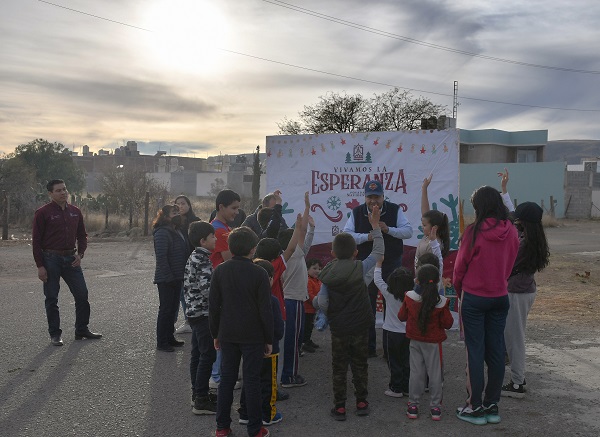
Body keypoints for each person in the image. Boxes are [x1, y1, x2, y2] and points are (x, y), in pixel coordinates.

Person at [454, 185, 519, 425]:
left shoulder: (473, 231)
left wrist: (460, 291)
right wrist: (500, 280)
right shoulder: (511, 230)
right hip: (500, 296)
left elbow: (460, 267)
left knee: (475, 351)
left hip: (474, 297)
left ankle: (475, 407)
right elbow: (511, 261)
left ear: (480, 207)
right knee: (495, 351)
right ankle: (492, 405)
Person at [314, 204, 384, 421]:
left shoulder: (327, 274)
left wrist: (325, 309)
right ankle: (362, 402)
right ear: (355, 252)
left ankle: (340, 407)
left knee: (339, 365)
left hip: (340, 328)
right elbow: (378, 251)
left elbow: (323, 301)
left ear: (332, 252)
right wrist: (375, 228)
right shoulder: (360, 267)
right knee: (360, 363)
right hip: (361, 324)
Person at [209, 226, 273, 437]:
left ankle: (222, 427)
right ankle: (255, 429)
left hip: (227, 332)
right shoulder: (260, 273)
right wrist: (268, 337)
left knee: (227, 380)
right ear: (253, 249)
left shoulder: (220, 270)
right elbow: (265, 309)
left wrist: (215, 333)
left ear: (229, 247)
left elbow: (214, 305)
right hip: (253, 335)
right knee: (251, 380)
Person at [343, 179, 413, 357]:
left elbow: (408, 232)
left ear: (383, 196)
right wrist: (367, 237)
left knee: (395, 303)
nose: (373, 201)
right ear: (365, 197)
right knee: (368, 305)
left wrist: (389, 229)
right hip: (367, 264)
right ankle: (369, 347)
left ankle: (393, 348)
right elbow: (347, 235)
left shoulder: (395, 209)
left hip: (391, 263)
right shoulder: (357, 212)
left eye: (377, 197)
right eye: (370, 197)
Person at [498, 169, 550, 399]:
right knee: (513, 335)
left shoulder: (521, 243)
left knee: (515, 338)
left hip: (516, 294)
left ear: (523, 223)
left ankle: (517, 383)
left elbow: (505, 264)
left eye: (518, 219)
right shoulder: (533, 237)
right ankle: (516, 374)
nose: (514, 220)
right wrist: (505, 190)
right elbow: (510, 213)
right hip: (526, 291)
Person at [32, 179, 102, 346]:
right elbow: (36, 241)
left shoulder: (75, 212)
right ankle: (55, 334)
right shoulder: (42, 213)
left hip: (71, 259)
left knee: (82, 294)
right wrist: (40, 266)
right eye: (58, 190)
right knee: (51, 297)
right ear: (50, 194)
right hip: (51, 260)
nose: (63, 192)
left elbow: (82, 235)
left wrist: (81, 254)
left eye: (64, 189)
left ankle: (82, 329)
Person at [399, 265, 454, 421]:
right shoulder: (441, 302)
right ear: (437, 282)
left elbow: (402, 316)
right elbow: (448, 323)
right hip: (434, 342)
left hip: (415, 340)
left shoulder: (409, 297)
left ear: (417, 281)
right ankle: (435, 407)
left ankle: (413, 405)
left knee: (416, 373)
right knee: (435, 373)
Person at [238, 259, 285, 427]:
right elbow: (278, 328)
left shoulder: (245, 298)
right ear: (271, 278)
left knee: (250, 380)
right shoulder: (272, 300)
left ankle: (244, 412)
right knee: (268, 383)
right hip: (269, 349)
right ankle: (268, 414)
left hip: (249, 346)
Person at [279, 192, 313, 389]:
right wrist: (307, 209)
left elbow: (302, 232)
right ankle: (288, 376)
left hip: (289, 301)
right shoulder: (294, 255)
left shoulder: (285, 257)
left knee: (289, 340)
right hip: (293, 302)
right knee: (293, 340)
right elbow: (303, 231)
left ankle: (286, 373)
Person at [184, 220, 218, 414]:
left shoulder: (195, 256)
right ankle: (201, 400)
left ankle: (198, 393)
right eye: (212, 236)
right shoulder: (202, 260)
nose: (215, 239)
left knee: (197, 354)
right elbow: (208, 290)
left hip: (194, 312)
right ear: (203, 240)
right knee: (207, 355)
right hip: (203, 313)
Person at [209, 189, 241, 387]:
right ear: (221, 207)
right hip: (222, 285)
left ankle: (221, 373)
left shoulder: (222, 228)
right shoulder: (220, 231)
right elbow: (232, 260)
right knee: (221, 333)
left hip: (221, 284)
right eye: (233, 208)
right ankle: (217, 376)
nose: (237, 212)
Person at [374, 260, 413, 398]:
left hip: (391, 333)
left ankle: (396, 388)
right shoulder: (413, 296)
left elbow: (377, 280)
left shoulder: (388, 294)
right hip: (409, 333)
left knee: (394, 361)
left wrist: (378, 264)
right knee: (407, 361)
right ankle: (407, 387)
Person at [153, 204, 188, 352]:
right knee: (166, 310)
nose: (177, 214)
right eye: (174, 212)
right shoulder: (162, 232)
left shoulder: (176, 230)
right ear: (165, 216)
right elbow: (161, 257)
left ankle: (170, 337)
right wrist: (169, 277)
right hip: (167, 279)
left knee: (173, 309)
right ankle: (162, 341)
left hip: (176, 277)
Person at [175, 194, 201, 335]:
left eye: (183, 203)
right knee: (181, 293)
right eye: (178, 204)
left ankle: (190, 321)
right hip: (180, 263)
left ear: (189, 205)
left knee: (190, 292)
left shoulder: (195, 222)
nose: (180, 206)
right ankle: (187, 319)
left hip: (192, 262)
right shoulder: (175, 224)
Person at [302, 258, 323, 353]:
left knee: (310, 326)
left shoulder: (318, 280)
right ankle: (304, 342)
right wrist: (318, 300)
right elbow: (309, 295)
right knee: (306, 326)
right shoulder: (308, 280)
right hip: (307, 309)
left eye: (319, 268)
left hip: (313, 308)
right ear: (307, 269)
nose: (317, 271)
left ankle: (307, 340)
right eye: (314, 268)